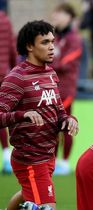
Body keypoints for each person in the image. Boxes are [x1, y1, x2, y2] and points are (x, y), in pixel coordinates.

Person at [1, 20, 79, 210]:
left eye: (52, 41)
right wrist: (22, 115)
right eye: (45, 42)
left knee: (27, 194)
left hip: (48, 155)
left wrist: (69, 120)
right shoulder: (16, 78)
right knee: (47, 207)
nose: (52, 47)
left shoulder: (51, 73)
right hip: (30, 158)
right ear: (29, 46)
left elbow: (59, 111)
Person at [50, 2, 82, 175]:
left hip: (66, 88)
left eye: (59, 14)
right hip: (51, 88)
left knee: (65, 124)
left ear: (69, 17)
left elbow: (65, 63)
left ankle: (64, 162)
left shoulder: (74, 39)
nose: (55, 18)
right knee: (51, 127)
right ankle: (52, 161)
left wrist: (49, 62)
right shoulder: (55, 38)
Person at [0, 10, 17, 174]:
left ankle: (7, 157)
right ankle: (7, 156)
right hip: (3, 74)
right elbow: (12, 47)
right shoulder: (5, 20)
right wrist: (13, 69)